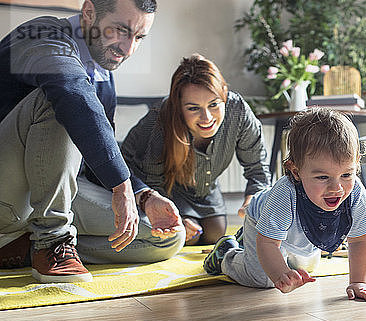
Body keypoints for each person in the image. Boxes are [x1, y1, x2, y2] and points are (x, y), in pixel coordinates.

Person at [0, 0, 156, 282]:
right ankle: (51, 241)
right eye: (120, 30)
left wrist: (142, 195)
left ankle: (22, 246)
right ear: (88, 13)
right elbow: (70, 89)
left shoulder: (103, 74)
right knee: (60, 96)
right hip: (7, 194)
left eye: (139, 37)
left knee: (162, 237)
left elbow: (95, 155)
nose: (129, 48)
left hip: (48, 195)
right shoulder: (40, 34)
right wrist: (119, 185)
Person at [203, 108, 366, 301]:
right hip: (262, 221)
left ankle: (252, 243)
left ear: (356, 164)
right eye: (323, 177)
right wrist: (280, 274)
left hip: (296, 233)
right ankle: (226, 253)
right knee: (263, 279)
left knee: (305, 269)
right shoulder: (285, 194)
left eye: (346, 175)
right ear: (296, 171)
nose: (336, 187)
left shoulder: (355, 193)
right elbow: (267, 243)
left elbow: (359, 240)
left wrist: (359, 282)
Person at [102, 54, 271, 250]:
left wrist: (252, 201)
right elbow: (150, 180)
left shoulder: (238, 110)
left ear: (224, 94)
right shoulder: (160, 120)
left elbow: (258, 168)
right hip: (156, 184)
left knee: (215, 234)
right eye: (193, 108)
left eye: (214, 104)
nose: (206, 117)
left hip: (204, 186)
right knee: (184, 236)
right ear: (179, 107)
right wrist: (177, 217)